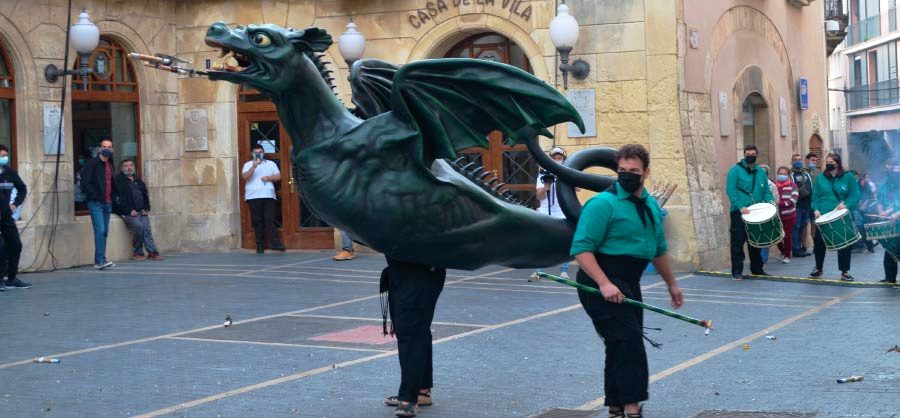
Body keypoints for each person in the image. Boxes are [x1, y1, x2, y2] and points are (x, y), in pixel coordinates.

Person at [570, 144, 683, 418]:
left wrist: (672, 284)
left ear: (646, 173)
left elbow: (658, 250)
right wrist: (604, 283)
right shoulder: (602, 204)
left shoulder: (651, 205)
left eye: (634, 171)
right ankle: (632, 410)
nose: (627, 175)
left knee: (620, 344)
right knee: (629, 342)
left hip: (630, 280)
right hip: (599, 279)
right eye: (622, 170)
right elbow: (581, 250)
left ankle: (615, 408)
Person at [381, 257, 445, 417]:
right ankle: (421, 391)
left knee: (411, 332)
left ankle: (409, 398)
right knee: (416, 330)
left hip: (421, 272)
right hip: (400, 270)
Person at [810, 153, 860, 281]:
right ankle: (818, 268)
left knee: (844, 243)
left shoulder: (848, 177)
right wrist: (815, 209)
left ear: (838, 163)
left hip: (841, 216)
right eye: (827, 161)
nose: (829, 164)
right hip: (823, 216)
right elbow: (815, 197)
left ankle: (844, 271)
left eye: (831, 161)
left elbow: (855, 195)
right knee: (819, 243)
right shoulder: (820, 178)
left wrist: (846, 204)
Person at [725, 145, 772, 280]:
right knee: (738, 242)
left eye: (753, 153)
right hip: (740, 212)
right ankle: (737, 271)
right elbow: (731, 190)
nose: (750, 155)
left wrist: (769, 204)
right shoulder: (735, 170)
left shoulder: (761, 172)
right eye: (748, 153)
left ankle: (757, 269)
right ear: (744, 155)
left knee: (756, 242)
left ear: (757, 155)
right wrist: (740, 206)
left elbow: (766, 191)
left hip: (757, 212)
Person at [529, 147, 571, 282]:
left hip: (562, 212)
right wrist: (546, 187)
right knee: (540, 243)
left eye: (560, 158)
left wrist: (564, 178)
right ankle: (537, 272)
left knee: (564, 242)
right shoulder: (543, 175)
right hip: (545, 212)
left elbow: (577, 188)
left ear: (564, 160)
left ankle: (564, 272)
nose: (557, 161)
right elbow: (539, 197)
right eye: (555, 158)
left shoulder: (568, 172)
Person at [113, 159, 162, 261]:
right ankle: (138, 252)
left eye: (131, 165)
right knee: (139, 228)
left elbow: (144, 194)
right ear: (122, 168)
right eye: (126, 166)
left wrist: (146, 208)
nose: (129, 167)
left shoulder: (137, 179)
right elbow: (117, 199)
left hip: (141, 211)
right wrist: (129, 210)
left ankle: (152, 252)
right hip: (128, 213)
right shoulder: (118, 181)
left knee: (147, 229)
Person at [241, 144, 285, 254]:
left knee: (270, 219)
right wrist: (254, 166)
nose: (258, 154)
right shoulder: (248, 164)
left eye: (260, 152)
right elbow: (245, 177)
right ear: (252, 154)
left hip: (268, 195)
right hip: (253, 196)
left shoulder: (271, 164)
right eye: (256, 152)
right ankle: (260, 245)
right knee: (257, 221)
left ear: (263, 153)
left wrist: (269, 178)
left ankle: (276, 244)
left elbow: (278, 177)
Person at [81, 138, 118, 269]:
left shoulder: (110, 164)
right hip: (96, 203)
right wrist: (95, 196)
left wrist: (114, 197)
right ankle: (99, 261)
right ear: (100, 149)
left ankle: (102, 258)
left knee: (105, 231)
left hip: (108, 203)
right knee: (100, 230)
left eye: (109, 147)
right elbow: (85, 183)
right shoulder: (92, 164)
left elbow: (112, 183)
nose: (106, 149)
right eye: (104, 147)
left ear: (112, 150)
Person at [0, 145, 28, 291]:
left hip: (6, 216)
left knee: (16, 245)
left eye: (5, 155)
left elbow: (22, 188)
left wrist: (15, 204)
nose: (4, 158)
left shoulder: (10, 172)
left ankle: (11, 278)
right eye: (1, 155)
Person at [876, 161, 900, 284]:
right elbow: (879, 200)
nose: (896, 171)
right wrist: (881, 211)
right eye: (894, 168)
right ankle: (890, 277)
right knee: (889, 248)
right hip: (890, 221)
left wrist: (895, 213)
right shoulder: (883, 184)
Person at [790, 154, 813, 257]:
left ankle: (803, 246)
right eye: (795, 160)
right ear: (792, 162)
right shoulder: (790, 174)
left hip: (807, 204)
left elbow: (811, 187)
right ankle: (795, 248)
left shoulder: (806, 174)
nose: (798, 161)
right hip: (797, 205)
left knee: (804, 226)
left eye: (799, 159)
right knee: (796, 226)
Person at [775, 166, 798, 264]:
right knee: (776, 236)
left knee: (787, 236)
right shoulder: (774, 185)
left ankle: (787, 255)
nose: (782, 176)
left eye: (784, 174)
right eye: (780, 173)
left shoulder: (793, 185)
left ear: (788, 175)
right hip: (776, 215)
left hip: (789, 215)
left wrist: (781, 204)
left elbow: (794, 199)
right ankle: (783, 250)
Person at [758, 165, 778, 267]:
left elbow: (775, 201)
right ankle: (757, 260)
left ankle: (763, 260)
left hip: (767, 215)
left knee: (765, 238)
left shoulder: (772, 186)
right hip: (755, 214)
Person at [852, 172, 877, 253]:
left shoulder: (866, 184)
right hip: (857, 208)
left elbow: (870, 195)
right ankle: (862, 245)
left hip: (865, 208)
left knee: (864, 227)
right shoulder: (855, 184)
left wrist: (865, 202)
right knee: (859, 226)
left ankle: (869, 246)